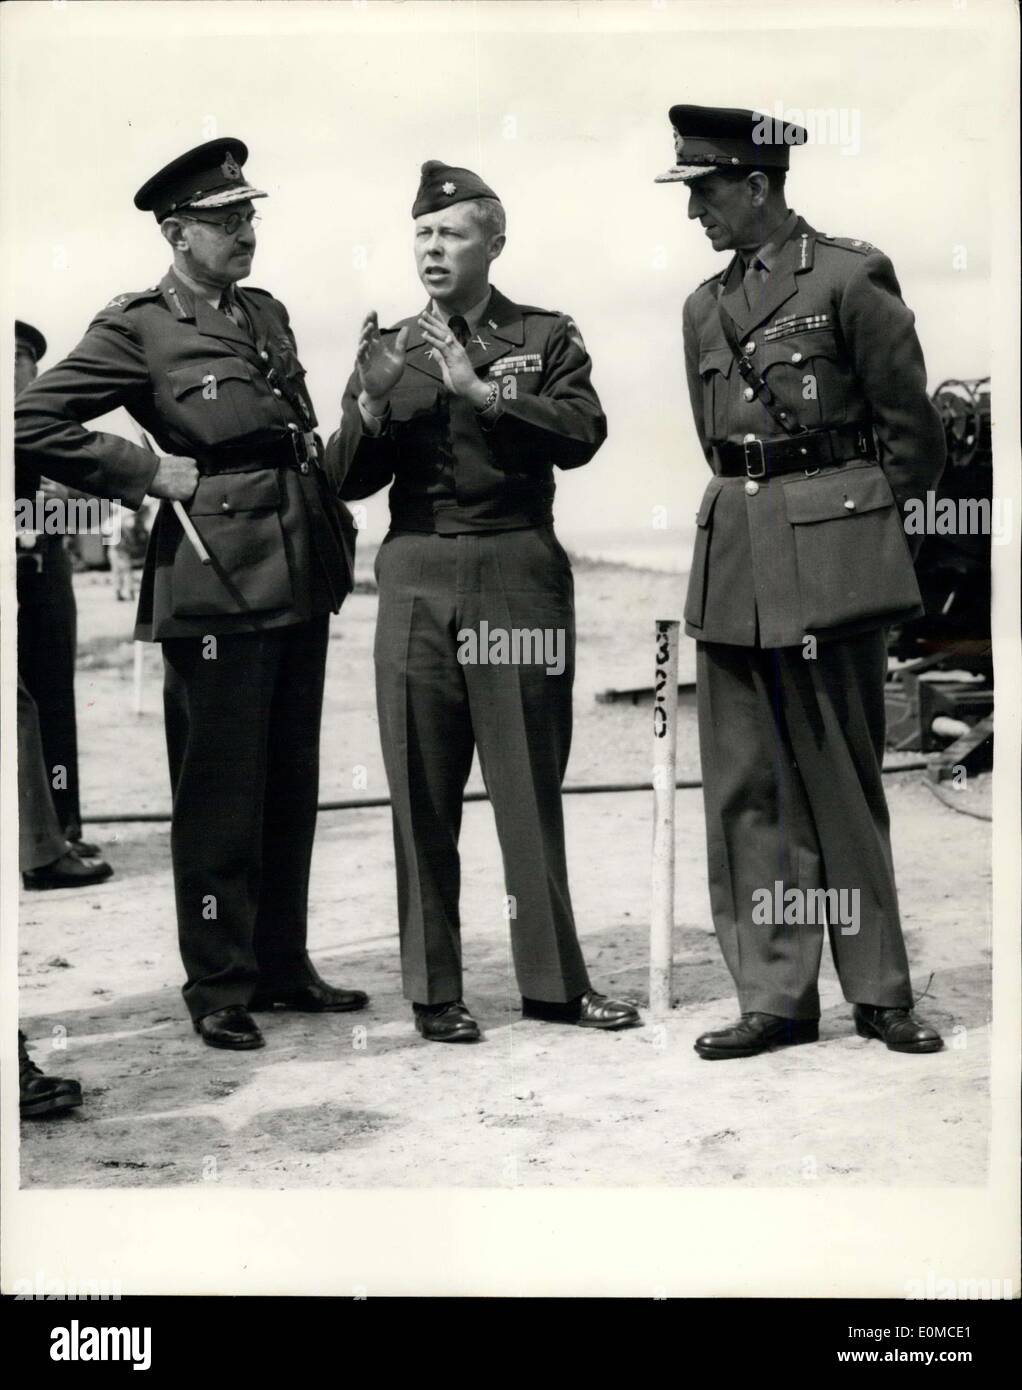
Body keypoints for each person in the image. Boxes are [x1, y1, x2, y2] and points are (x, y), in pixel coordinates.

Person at [16, 138, 365, 1051]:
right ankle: (218, 984)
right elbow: (27, 420)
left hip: (299, 561)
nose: (244, 232)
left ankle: (284, 964)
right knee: (217, 791)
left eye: (249, 215)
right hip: (215, 577)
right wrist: (141, 471)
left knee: (291, 780)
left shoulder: (266, 311)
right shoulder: (138, 325)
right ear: (176, 233)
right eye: (224, 221)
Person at [656, 105, 946, 1058]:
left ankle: (878, 989)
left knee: (839, 775)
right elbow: (719, 442)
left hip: (830, 558)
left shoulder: (849, 276)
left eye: (704, 191)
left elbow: (914, 440)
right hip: (736, 556)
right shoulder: (703, 305)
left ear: (756, 184)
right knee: (746, 787)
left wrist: (850, 530)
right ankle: (775, 997)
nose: (694, 210)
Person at [328, 160, 639, 1042]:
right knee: (419, 788)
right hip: (418, 576)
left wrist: (482, 393)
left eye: (451, 232)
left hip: (517, 573)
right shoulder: (387, 346)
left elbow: (583, 433)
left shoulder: (544, 335)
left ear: (493, 242)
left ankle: (552, 984)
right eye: (421, 233)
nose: (432, 246)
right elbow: (344, 480)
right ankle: (434, 992)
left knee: (526, 785)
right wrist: (368, 403)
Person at [15, 321, 107, 862]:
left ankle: (62, 826)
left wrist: (59, 500)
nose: (17, 370)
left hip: (46, 571)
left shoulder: (46, 424)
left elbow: (94, 514)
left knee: (53, 697)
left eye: (22, 360)